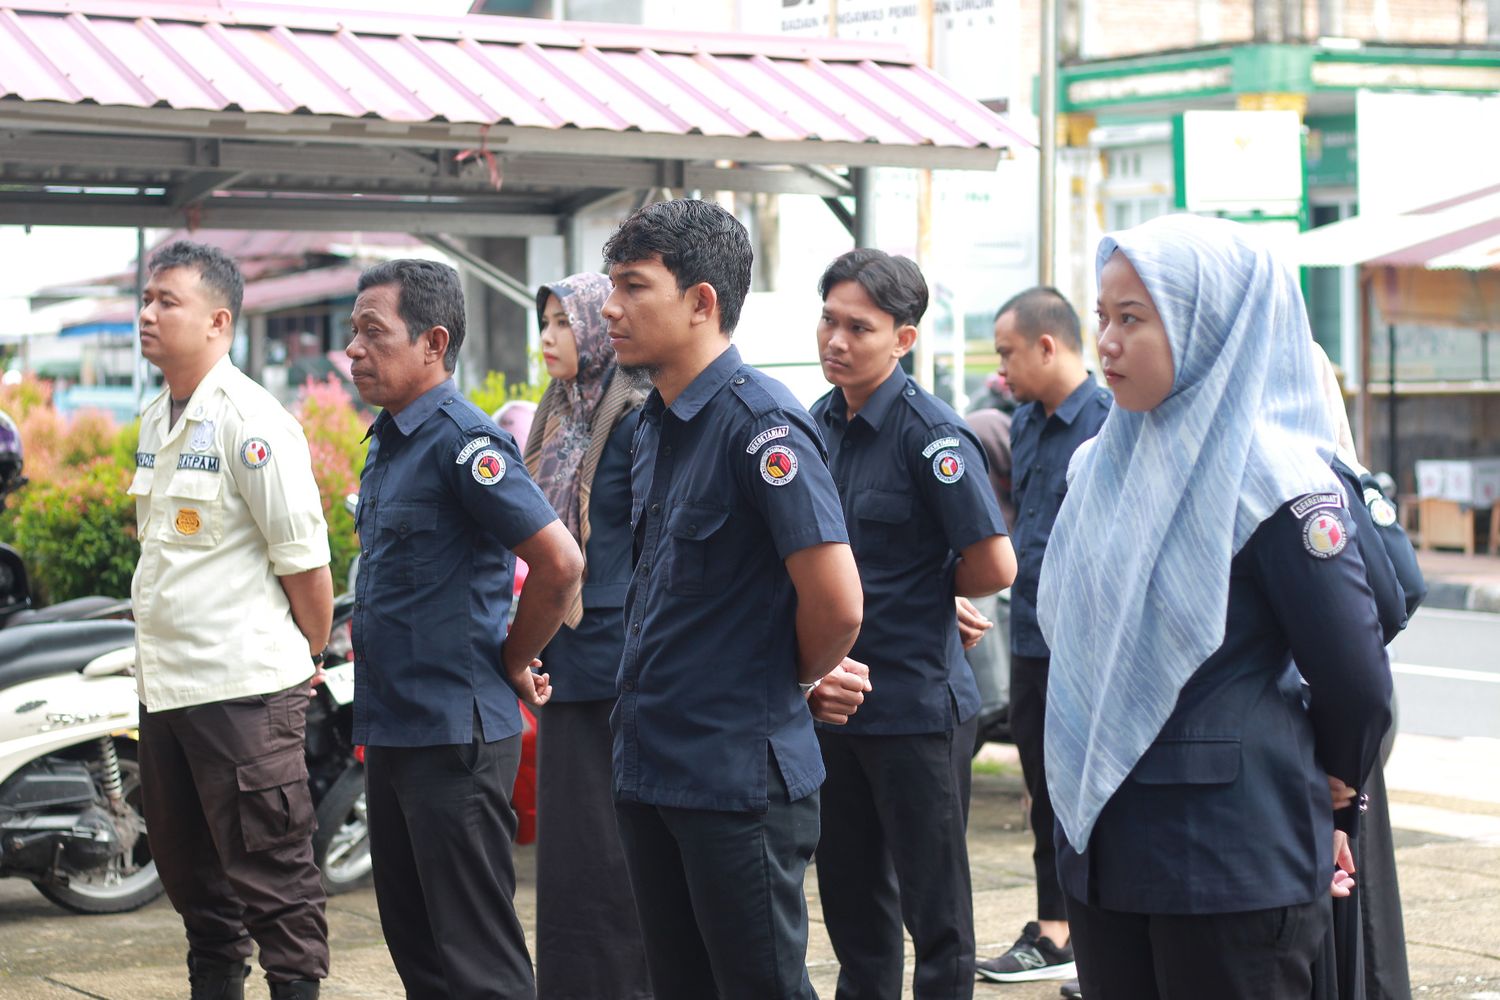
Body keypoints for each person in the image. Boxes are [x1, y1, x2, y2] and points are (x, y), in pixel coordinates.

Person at [1038, 214, 1393, 999]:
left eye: (1134, 319)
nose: (1106, 342)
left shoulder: (1274, 480)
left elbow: (1356, 680)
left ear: (1212, 326)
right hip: (1105, 847)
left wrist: (1339, 781)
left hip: (1229, 862)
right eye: (1102, 316)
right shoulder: (1102, 464)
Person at [600, 198, 866, 1000]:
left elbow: (838, 603)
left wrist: (780, 681)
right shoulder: (654, 424)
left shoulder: (761, 426)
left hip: (734, 774)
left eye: (633, 286)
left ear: (701, 302)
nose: (610, 307)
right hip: (653, 764)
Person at [346, 259, 584, 1000]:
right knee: (418, 951)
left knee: (478, 962)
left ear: (432, 342)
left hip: (453, 735)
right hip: (394, 728)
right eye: (353, 333)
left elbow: (560, 563)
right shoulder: (390, 439)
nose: (353, 350)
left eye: (372, 333)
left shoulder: (464, 443)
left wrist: (517, 657)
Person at [807, 249, 1016, 999]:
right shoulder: (814, 425)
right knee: (853, 904)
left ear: (902, 339)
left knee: (936, 915)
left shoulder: (931, 436)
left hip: (914, 708)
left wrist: (928, 589)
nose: (836, 340)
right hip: (834, 706)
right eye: (829, 319)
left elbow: (994, 566)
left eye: (858, 327)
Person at [129, 240, 333, 1000]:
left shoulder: (254, 422)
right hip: (168, 693)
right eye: (145, 300)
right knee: (197, 896)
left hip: (243, 694)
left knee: (276, 890)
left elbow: (306, 568)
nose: (147, 315)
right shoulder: (157, 418)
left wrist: (300, 659)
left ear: (218, 320)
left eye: (166, 301)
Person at [521, 272, 652, 1000]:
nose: (548, 338)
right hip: (564, 649)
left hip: (613, 654)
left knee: (605, 851)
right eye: (545, 323)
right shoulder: (558, 409)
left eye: (562, 324)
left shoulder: (633, 414)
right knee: (568, 850)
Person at [976, 287, 1110, 988]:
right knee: (1041, 791)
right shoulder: (1024, 421)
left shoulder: (1109, 419)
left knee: (1095, 792)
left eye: (1008, 353)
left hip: (1086, 643)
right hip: (1030, 632)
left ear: (1048, 346)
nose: (1002, 371)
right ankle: (1055, 928)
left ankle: (1097, 934)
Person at [1309, 347, 1423, 1000]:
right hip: (1348, 712)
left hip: (1335, 715)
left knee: (1353, 900)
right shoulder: (1335, 467)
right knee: (1363, 891)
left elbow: (1401, 589)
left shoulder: (1321, 474)